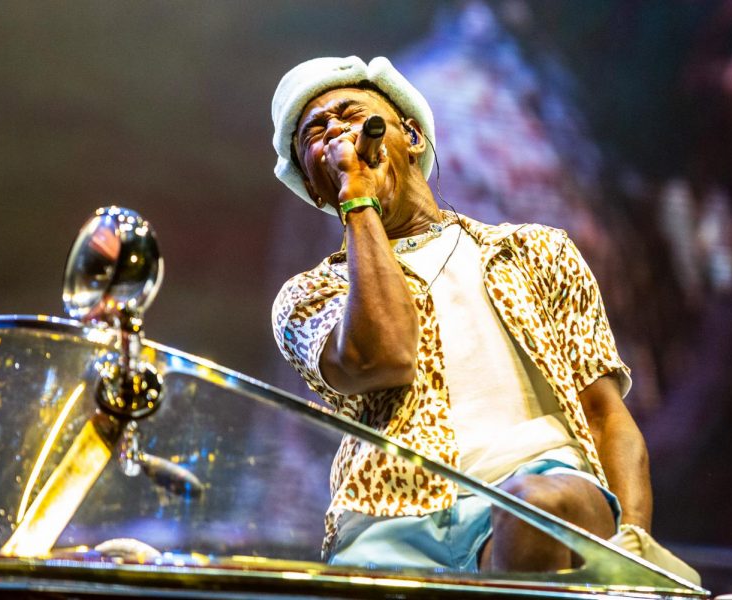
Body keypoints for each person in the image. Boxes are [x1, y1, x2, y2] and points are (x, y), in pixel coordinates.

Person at [270, 55, 692, 578]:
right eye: (315, 132)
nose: (335, 130)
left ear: (412, 136)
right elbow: (384, 357)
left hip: (542, 491)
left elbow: (605, 415)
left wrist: (633, 557)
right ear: (316, 187)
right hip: (389, 524)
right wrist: (359, 200)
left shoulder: (536, 252)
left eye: (351, 113)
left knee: (536, 502)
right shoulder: (311, 294)